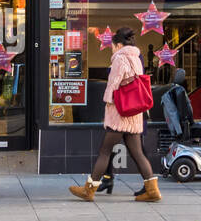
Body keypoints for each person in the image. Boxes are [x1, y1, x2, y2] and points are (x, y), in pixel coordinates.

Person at [69, 26, 161, 202]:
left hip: (120, 112)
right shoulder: (136, 58)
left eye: (112, 45)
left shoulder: (120, 59)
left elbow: (113, 86)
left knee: (104, 151)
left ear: (118, 44)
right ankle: (152, 189)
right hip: (134, 112)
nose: (112, 48)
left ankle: (89, 190)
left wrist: (107, 103)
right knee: (137, 153)